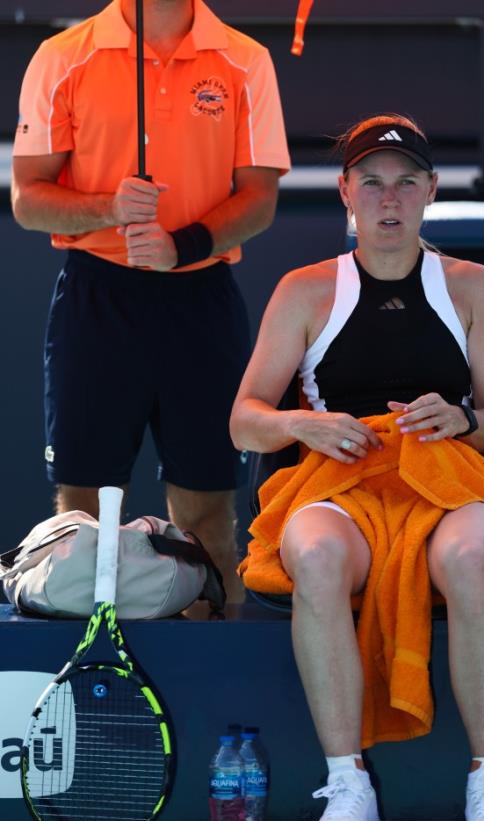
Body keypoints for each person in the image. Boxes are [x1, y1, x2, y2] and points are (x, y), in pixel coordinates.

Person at [230, 113, 484, 821]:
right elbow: (245, 420)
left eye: (406, 183)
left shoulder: (473, 287)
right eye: (372, 183)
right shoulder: (305, 290)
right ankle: (348, 787)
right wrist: (305, 427)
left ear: (430, 193)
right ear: (346, 192)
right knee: (311, 554)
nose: (390, 199)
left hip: (449, 483)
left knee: (472, 555)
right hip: (339, 487)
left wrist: (459, 417)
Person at [11, 0, 290, 604]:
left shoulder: (246, 60)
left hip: (201, 302)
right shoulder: (62, 56)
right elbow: (28, 199)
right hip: (96, 300)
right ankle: (91, 688)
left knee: (209, 520)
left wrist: (179, 247)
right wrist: (109, 208)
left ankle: (208, 685)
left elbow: (259, 199)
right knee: (80, 519)